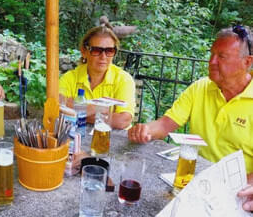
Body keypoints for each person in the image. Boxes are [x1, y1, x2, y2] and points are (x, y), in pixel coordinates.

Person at [128, 25, 253, 174]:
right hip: (196, 178)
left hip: (238, 189)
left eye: (221, 56)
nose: (212, 62)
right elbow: (165, 124)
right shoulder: (201, 87)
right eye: (211, 54)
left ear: (247, 62)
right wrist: (145, 130)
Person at [59, 25, 135, 129]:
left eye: (109, 51)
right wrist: (97, 108)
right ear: (84, 52)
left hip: (113, 139)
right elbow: (57, 108)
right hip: (76, 136)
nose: (103, 57)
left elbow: (123, 121)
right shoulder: (69, 78)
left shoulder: (123, 79)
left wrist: (77, 111)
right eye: (96, 50)